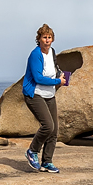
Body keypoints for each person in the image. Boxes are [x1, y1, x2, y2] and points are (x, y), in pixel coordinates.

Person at [21, 24, 70, 173]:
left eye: (49, 37)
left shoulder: (52, 52)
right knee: (48, 125)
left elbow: (53, 68)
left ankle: (47, 162)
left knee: (54, 130)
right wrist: (57, 82)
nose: (47, 40)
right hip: (34, 94)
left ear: (52, 39)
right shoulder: (35, 54)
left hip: (49, 95)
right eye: (44, 37)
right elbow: (38, 77)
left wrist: (61, 76)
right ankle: (32, 151)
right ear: (39, 39)